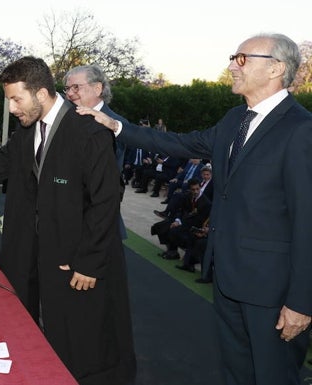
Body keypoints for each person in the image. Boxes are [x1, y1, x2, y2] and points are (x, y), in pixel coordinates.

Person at [78, 33, 312, 385]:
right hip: (229, 279)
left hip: (273, 293)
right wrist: (116, 126)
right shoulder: (235, 120)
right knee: (237, 374)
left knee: (273, 376)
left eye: (242, 58)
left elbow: (307, 222)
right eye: (234, 57)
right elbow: (179, 142)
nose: (232, 66)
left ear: (276, 68)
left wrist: (301, 302)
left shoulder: (301, 129)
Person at [0, 56, 135, 385]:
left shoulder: (89, 131)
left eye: (16, 99)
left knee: (81, 342)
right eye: (9, 99)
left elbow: (105, 201)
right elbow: (1, 162)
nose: (12, 108)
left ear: (41, 93)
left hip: (75, 260)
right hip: (33, 252)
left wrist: (89, 262)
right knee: (29, 328)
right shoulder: (28, 130)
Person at [63, 64, 128, 238]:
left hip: (96, 223)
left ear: (97, 88)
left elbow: (107, 179)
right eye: (68, 88)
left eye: (76, 87)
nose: (69, 93)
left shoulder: (116, 125)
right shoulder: (69, 119)